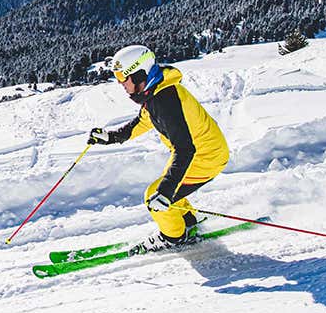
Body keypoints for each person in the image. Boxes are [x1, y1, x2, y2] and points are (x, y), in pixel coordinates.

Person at [88, 45, 229, 252]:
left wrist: (165, 193)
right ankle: (188, 220)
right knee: (165, 190)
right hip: (202, 152)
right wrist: (110, 137)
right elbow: (142, 123)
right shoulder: (156, 94)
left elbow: (185, 150)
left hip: (206, 157)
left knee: (154, 196)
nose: (120, 83)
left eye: (122, 77)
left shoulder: (165, 101)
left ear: (138, 75)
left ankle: (173, 237)